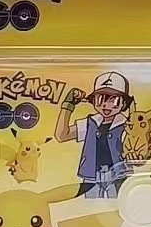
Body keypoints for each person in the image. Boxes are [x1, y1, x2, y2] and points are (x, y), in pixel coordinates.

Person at [53, 70, 133, 198]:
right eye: (100, 100)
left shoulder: (127, 125)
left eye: (114, 101)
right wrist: (68, 106)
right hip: (91, 176)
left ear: (123, 103)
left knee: (118, 204)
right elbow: (62, 135)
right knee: (90, 205)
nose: (106, 105)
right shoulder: (90, 123)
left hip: (118, 176)